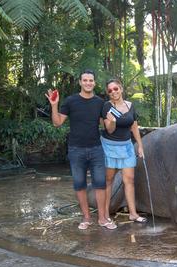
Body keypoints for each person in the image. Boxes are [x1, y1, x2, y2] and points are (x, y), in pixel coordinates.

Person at [46, 69, 117, 230]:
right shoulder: (71, 101)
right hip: (76, 149)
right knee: (79, 184)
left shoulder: (100, 103)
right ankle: (86, 218)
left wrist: (112, 121)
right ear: (80, 82)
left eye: (91, 80)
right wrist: (54, 105)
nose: (88, 83)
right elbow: (57, 123)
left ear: (94, 83)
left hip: (96, 149)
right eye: (85, 80)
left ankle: (102, 218)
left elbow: (109, 129)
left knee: (100, 184)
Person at [102, 79, 147, 223]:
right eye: (110, 91)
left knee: (129, 180)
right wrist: (113, 121)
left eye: (115, 89)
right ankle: (105, 214)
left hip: (126, 146)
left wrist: (140, 145)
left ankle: (133, 213)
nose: (113, 92)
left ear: (121, 89)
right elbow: (109, 129)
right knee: (108, 180)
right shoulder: (106, 107)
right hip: (110, 146)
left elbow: (134, 127)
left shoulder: (130, 106)